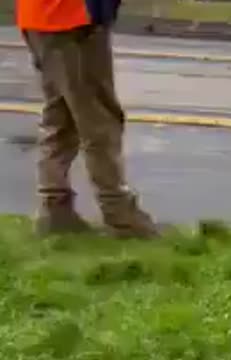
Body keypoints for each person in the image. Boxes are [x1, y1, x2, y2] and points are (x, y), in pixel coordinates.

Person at [16, 0, 159, 238]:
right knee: (99, 119)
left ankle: (55, 209)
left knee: (61, 115)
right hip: (73, 19)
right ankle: (121, 216)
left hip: (40, 17)